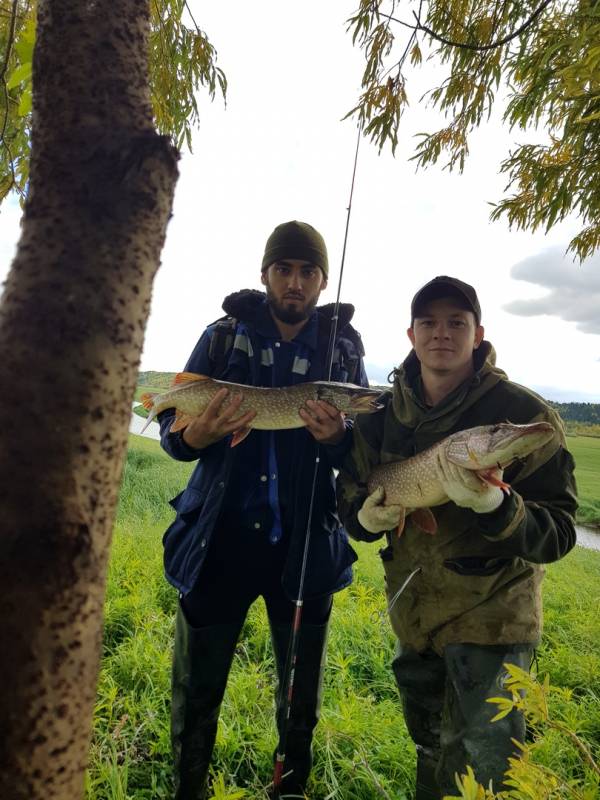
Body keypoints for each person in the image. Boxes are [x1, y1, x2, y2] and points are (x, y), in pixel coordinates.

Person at [337, 275, 577, 799]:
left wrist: (498, 505)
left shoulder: (525, 415)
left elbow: (558, 534)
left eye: (456, 322)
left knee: (484, 775)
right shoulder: (379, 418)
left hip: (494, 625)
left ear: (478, 332)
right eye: (429, 322)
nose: (441, 333)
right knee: (429, 752)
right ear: (411, 333)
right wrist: (366, 518)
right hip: (416, 620)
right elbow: (350, 502)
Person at [158, 220, 369, 799]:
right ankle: (189, 788)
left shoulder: (343, 351)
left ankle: (290, 789)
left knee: (300, 695)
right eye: (284, 269)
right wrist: (199, 431)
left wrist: (337, 438)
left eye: (307, 271)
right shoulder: (224, 337)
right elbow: (174, 441)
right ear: (266, 274)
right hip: (219, 542)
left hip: (302, 548)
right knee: (197, 687)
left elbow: (359, 449)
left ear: (322, 281)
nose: (295, 282)